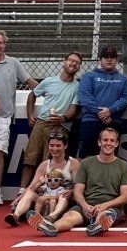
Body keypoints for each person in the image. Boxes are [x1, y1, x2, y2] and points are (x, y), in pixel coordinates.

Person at [0, 27, 37, 207]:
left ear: (5, 44)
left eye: (0, 43)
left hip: (4, 116)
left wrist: (49, 90)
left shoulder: (14, 63)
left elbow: (30, 82)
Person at [48, 125, 127, 236]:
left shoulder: (124, 166)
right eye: (105, 140)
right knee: (69, 217)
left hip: (110, 208)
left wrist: (105, 206)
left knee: (105, 216)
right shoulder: (86, 163)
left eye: (112, 140)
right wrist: (85, 206)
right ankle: (51, 227)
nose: (108, 143)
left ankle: (97, 225)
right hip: (86, 206)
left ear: (117, 144)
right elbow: (77, 191)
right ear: (99, 142)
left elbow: (124, 196)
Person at [22, 52, 82, 190]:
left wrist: (64, 117)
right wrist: (30, 114)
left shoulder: (77, 87)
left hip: (60, 127)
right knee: (30, 158)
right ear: (64, 61)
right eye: (71, 60)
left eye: (77, 62)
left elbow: (74, 109)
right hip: (41, 123)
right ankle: (22, 191)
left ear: (79, 67)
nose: (73, 64)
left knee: (50, 161)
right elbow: (33, 94)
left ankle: (47, 192)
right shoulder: (49, 81)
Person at [5, 133, 77, 228]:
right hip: (45, 199)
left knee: (63, 196)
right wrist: (19, 198)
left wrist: (71, 191)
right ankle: (15, 216)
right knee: (30, 193)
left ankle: (51, 217)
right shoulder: (44, 165)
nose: (54, 149)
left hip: (63, 200)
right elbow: (31, 187)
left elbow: (78, 186)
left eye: (58, 145)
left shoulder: (73, 163)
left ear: (65, 146)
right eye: (52, 145)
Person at [76, 45, 127, 158]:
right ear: (100, 59)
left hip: (113, 121)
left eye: (112, 57)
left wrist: (110, 110)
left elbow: (126, 98)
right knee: (87, 157)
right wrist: (103, 113)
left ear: (117, 60)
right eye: (106, 57)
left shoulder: (124, 79)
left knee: (110, 156)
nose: (109, 59)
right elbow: (85, 97)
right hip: (91, 121)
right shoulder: (89, 76)